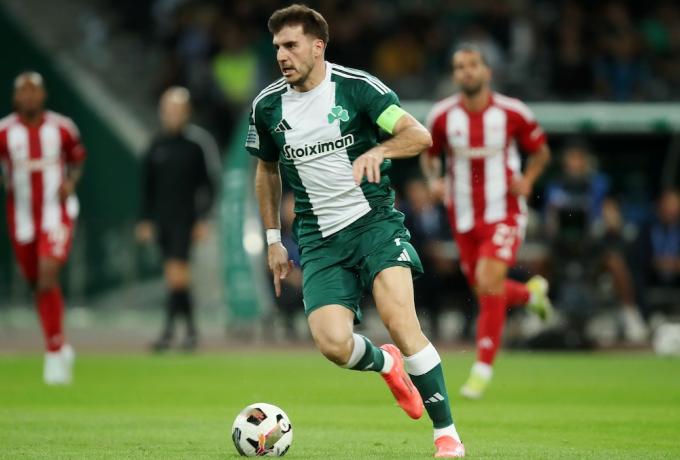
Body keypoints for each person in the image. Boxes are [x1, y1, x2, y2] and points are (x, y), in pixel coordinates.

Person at [246, 5, 464, 458]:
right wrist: (273, 240)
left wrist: (380, 151)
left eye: (291, 45)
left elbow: (418, 135)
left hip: (374, 224)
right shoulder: (267, 106)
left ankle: (446, 434)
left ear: (318, 46)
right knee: (333, 344)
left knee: (401, 321)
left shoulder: (357, 88)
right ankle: (386, 364)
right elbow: (266, 170)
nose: (282, 55)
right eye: (277, 47)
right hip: (318, 240)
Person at [422, 44, 553, 399]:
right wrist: (434, 180)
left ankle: (482, 369)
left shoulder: (512, 112)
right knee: (485, 287)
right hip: (463, 216)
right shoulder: (442, 115)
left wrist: (528, 179)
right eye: (459, 66)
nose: (466, 71)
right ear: (454, 75)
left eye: (472, 65)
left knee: (488, 280)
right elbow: (429, 155)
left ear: (487, 71)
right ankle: (530, 294)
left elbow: (541, 151)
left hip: (504, 210)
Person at [0, 72, 85, 384]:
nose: (29, 96)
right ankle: (58, 340)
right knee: (38, 283)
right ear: (15, 97)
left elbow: (77, 158)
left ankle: (53, 353)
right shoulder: (4, 132)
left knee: (48, 273)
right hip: (22, 217)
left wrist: (71, 182)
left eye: (34, 90)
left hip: (56, 213)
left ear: (43, 95)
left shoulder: (62, 128)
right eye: (23, 91)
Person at [136, 86, 218, 352]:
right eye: (168, 109)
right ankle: (191, 332)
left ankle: (169, 333)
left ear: (186, 113)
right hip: (162, 221)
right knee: (176, 279)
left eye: (177, 109)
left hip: (185, 220)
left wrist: (203, 219)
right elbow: (147, 187)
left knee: (176, 276)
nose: (172, 114)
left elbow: (209, 185)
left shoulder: (196, 145)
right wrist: (145, 220)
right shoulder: (156, 146)